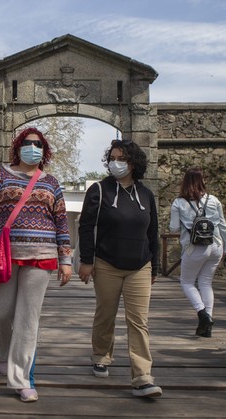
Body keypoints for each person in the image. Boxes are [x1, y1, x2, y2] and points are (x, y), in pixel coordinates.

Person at [0, 127, 72, 403]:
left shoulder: (51, 182)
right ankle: (3, 354)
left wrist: (66, 259)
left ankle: (22, 378)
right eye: (28, 143)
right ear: (18, 146)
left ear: (44, 150)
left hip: (42, 254)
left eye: (38, 144)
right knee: (1, 314)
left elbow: (61, 222)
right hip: (5, 255)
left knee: (28, 319)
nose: (33, 147)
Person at [77, 139, 162, 399]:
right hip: (106, 263)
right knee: (106, 314)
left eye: (122, 158)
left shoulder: (146, 194)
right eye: (113, 158)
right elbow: (85, 227)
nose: (116, 163)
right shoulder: (99, 190)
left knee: (139, 322)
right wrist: (87, 261)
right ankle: (101, 355)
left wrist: (154, 266)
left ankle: (142, 376)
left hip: (140, 266)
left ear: (134, 163)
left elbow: (153, 232)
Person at [169, 167, 226, 338]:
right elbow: (223, 225)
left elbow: (173, 227)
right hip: (216, 245)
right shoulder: (214, 200)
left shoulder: (178, 203)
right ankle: (207, 324)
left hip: (194, 247)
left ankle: (202, 313)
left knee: (187, 282)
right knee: (206, 283)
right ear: (203, 181)